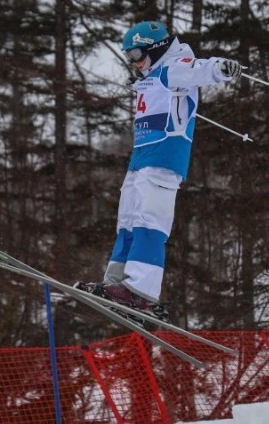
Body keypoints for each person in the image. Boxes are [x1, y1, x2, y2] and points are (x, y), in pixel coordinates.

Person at [75, 20, 241, 322]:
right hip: (140, 158)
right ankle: (116, 282)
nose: (134, 62)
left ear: (156, 48)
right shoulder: (151, 76)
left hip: (164, 156)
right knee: (128, 220)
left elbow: (198, 69)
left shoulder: (173, 67)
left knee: (150, 220)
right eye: (129, 56)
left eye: (137, 53)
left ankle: (140, 289)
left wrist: (220, 67)